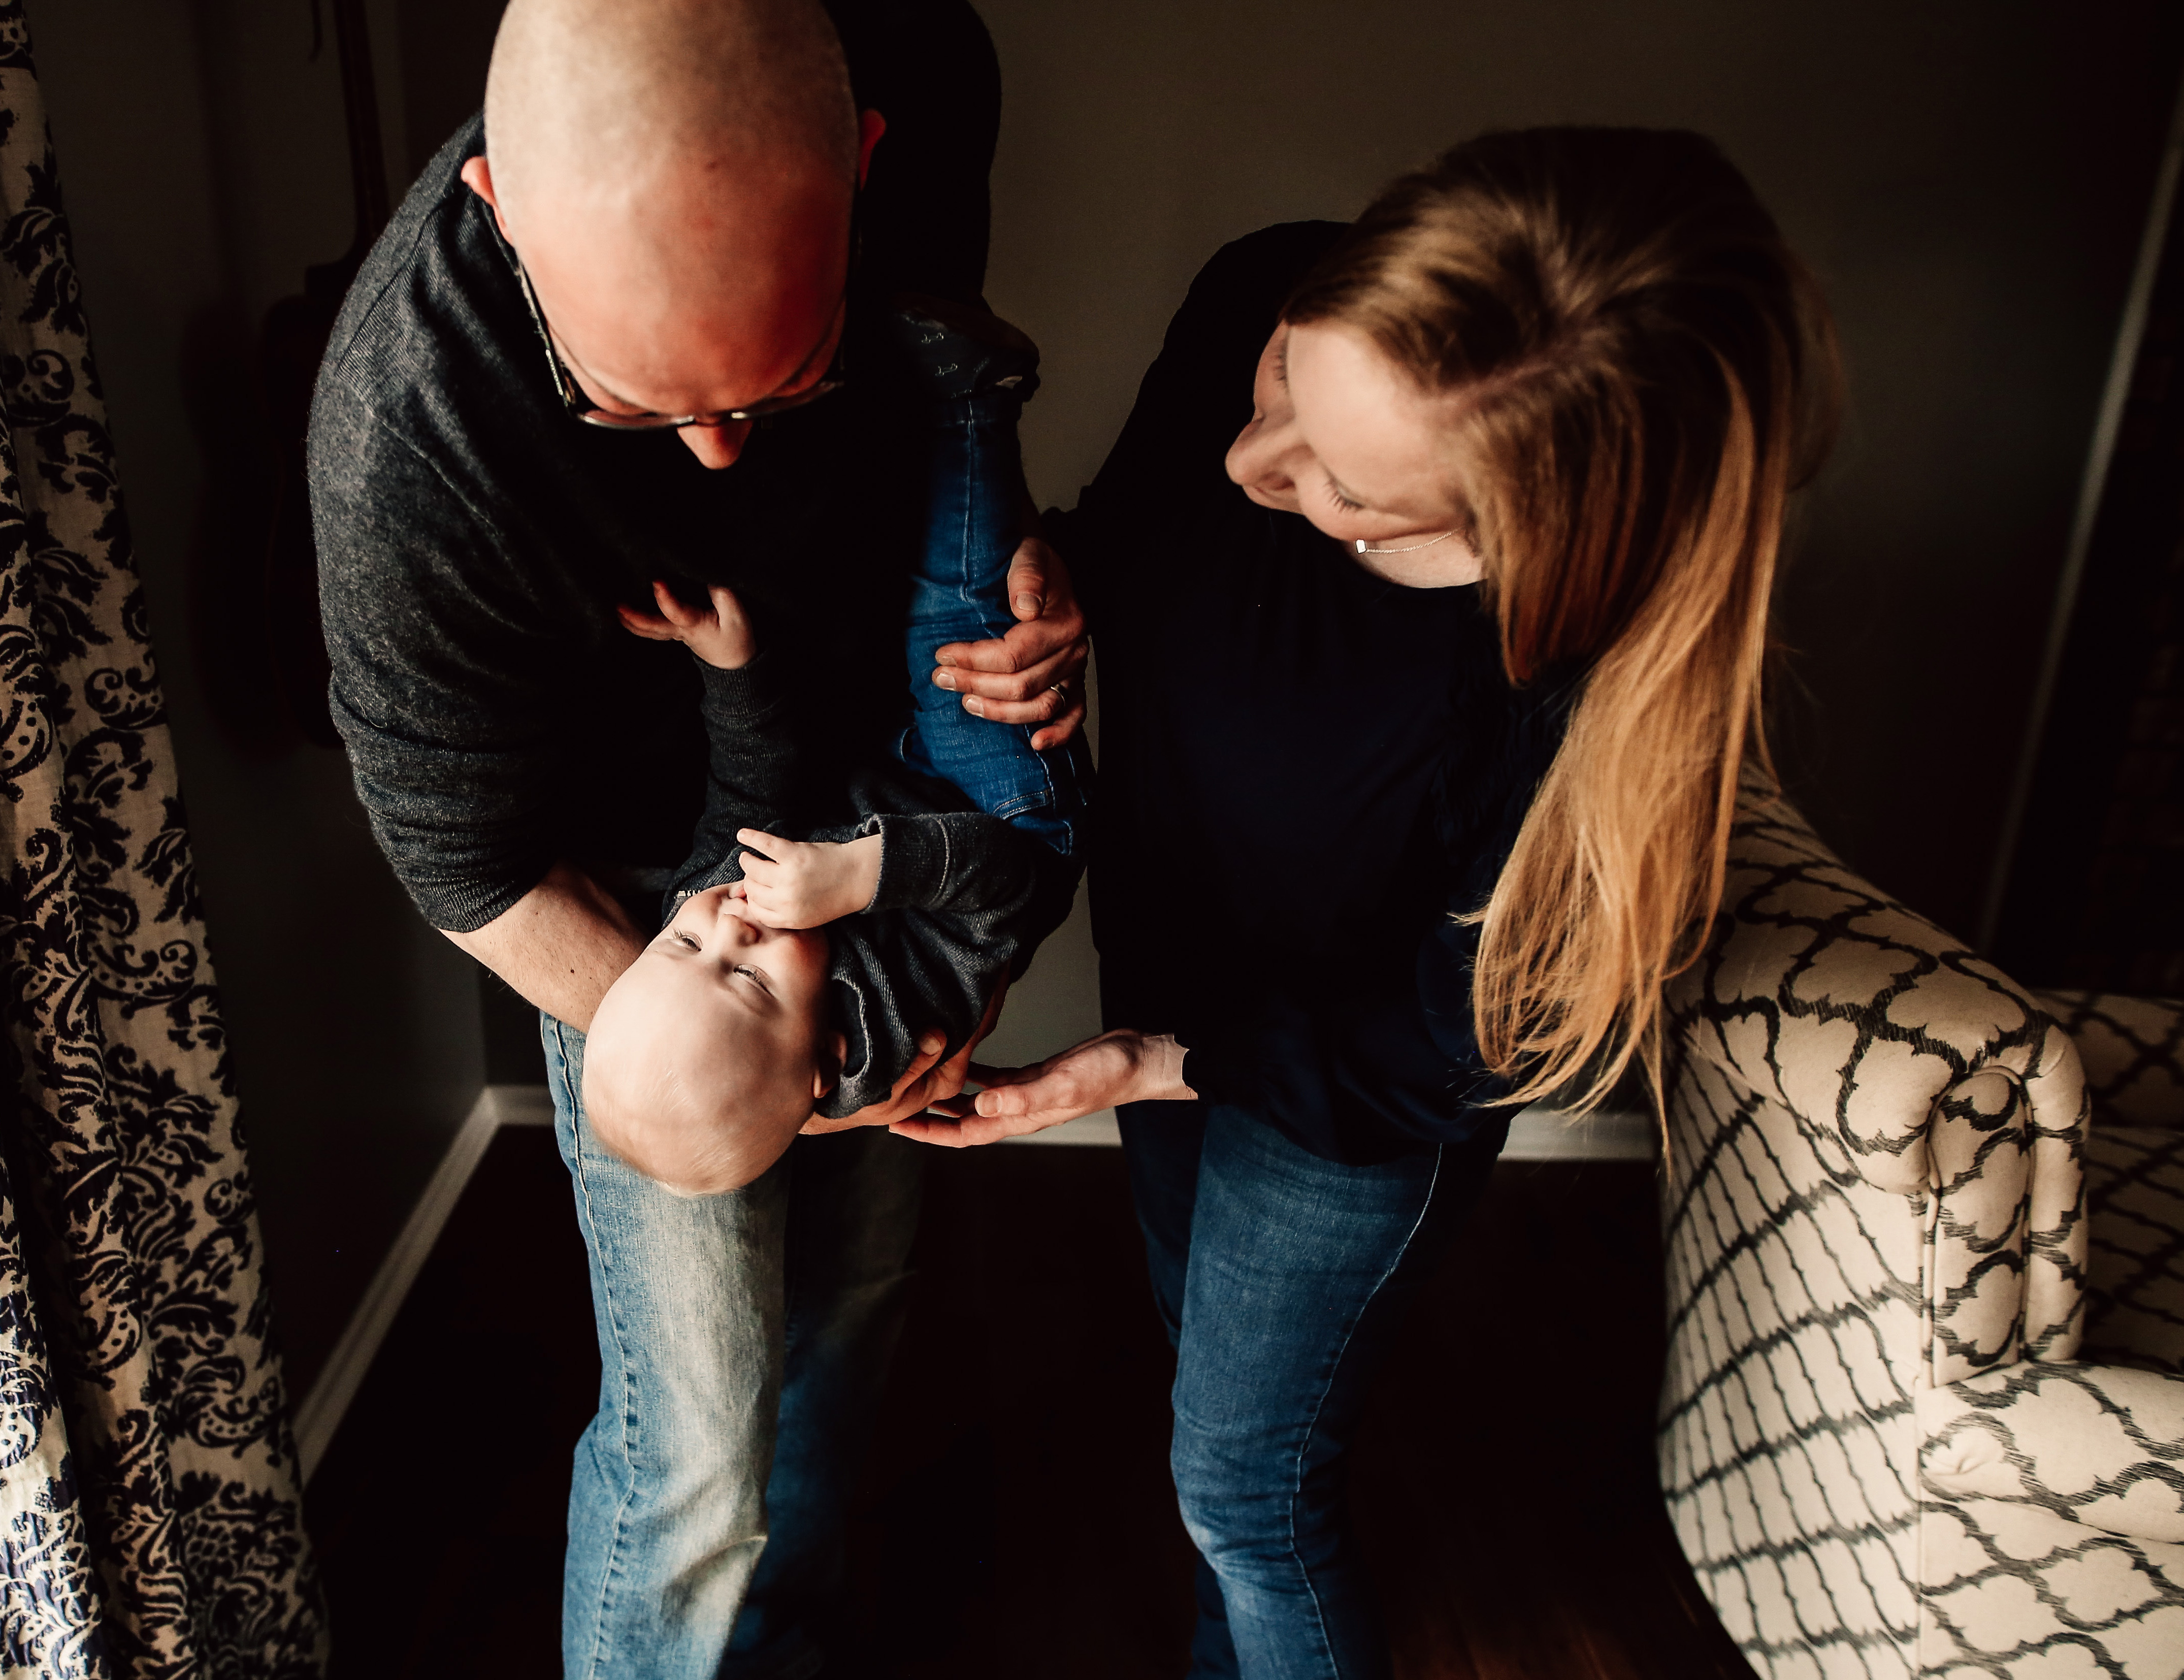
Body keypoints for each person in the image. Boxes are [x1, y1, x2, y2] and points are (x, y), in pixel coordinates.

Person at [902, 128, 1842, 1677]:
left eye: (1340, 490)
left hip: (1354, 1092)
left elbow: (1454, 1045)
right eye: (1282, 375)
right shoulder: (1262, 283)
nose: (1250, 463)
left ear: (1532, 540)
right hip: (1173, 980)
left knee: (1248, 1494)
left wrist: (1161, 1060)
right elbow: (1143, 517)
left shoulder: (1585, 693)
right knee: (1205, 1381)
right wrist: (1065, 590)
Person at [307, 1, 1090, 1673]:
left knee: (850, 1320)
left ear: (865, 159)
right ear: (504, 209)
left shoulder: (923, 68)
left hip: (843, 774)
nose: (720, 453)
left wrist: (1023, 582)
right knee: (699, 1452)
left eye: (784, 375)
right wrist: (731, 1041)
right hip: (630, 927)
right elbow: (467, 864)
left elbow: (938, 424)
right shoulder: (408, 430)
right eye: (629, 399)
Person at [583, 566, 1082, 1195]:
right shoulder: (894, 1019)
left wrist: (732, 670)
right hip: (998, 809)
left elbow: (747, 790)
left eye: (683, 942)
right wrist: (859, 876)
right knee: (957, 590)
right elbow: (1003, 875)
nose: (729, 924)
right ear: (827, 1054)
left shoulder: (702, 901)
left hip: (885, 759)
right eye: (749, 977)